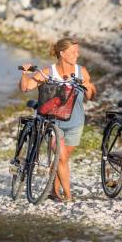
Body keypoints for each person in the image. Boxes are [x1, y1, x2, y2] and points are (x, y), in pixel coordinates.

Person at [19, 37, 96, 202]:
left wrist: (89, 87)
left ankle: (54, 190)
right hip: (53, 122)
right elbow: (26, 88)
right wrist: (25, 73)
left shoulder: (81, 71)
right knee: (60, 156)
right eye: (73, 51)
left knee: (63, 158)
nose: (77, 54)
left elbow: (90, 97)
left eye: (77, 51)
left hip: (76, 122)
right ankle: (68, 195)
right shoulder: (48, 72)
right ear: (62, 53)